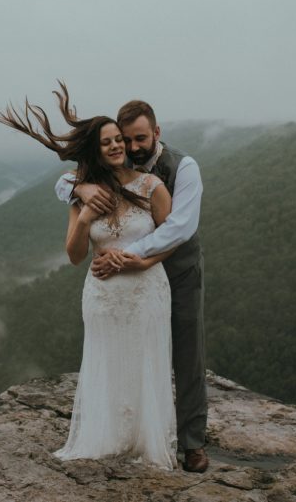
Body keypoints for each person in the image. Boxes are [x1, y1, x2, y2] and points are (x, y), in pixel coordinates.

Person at [0, 83, 178, 470]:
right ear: (95, 150)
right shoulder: (82, 194)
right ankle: (108, 436)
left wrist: (141, 263)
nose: (115, 146)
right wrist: (87, 216)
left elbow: (171, 239)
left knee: (145, 361)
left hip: (147, 290)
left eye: (118, 140)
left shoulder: (152, 187)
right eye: (106, 142)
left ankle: (146, 441)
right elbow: (76, 255)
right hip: (102, 295)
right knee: (106, 361)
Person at [54, 100, 209, 473]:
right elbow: (63, 182)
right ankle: (124, 428)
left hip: (176, 270)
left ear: (156, 132)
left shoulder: (182, 168)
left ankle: (191, 443)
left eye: (140, 138)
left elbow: (179, 229)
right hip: (118, 283)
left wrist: (127, 257)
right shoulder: (107, 171)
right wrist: (82, 193)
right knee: (125, 353)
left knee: (187, 354)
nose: (132, 146)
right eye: (126, 139)